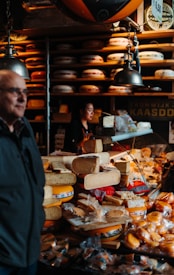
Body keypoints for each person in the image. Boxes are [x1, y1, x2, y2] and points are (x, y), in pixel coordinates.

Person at [0, 69, 45, 275]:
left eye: (25, 92)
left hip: (28, 251)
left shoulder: (24, 129)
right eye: (14, 91)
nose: (22, 98)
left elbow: (36, 185)